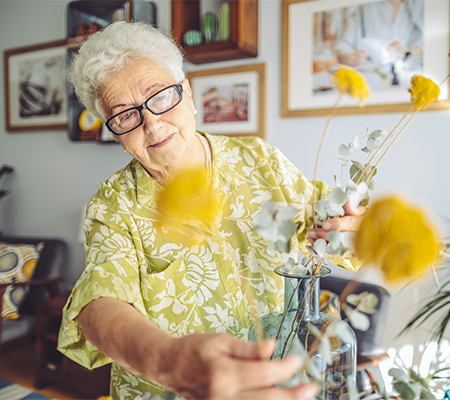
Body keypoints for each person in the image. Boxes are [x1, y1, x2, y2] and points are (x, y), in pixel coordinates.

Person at [58, 21, 364, 400]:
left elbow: (332, 222)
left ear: (186, 92)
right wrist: (167, 359)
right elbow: (99, 302)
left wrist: (354, 229)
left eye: (161, 97)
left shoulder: (259, 159)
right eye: (124, 115)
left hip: (275, 383)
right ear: (115, 132)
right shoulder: (113, 205)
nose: (152, 123)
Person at [335, 0, 423, 87]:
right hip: (369, 81)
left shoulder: (417, 6)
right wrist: (350, 58)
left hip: (406, 82)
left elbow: (425, 45)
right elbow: (343, 47)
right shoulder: (367, 6)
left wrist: (408, 51)